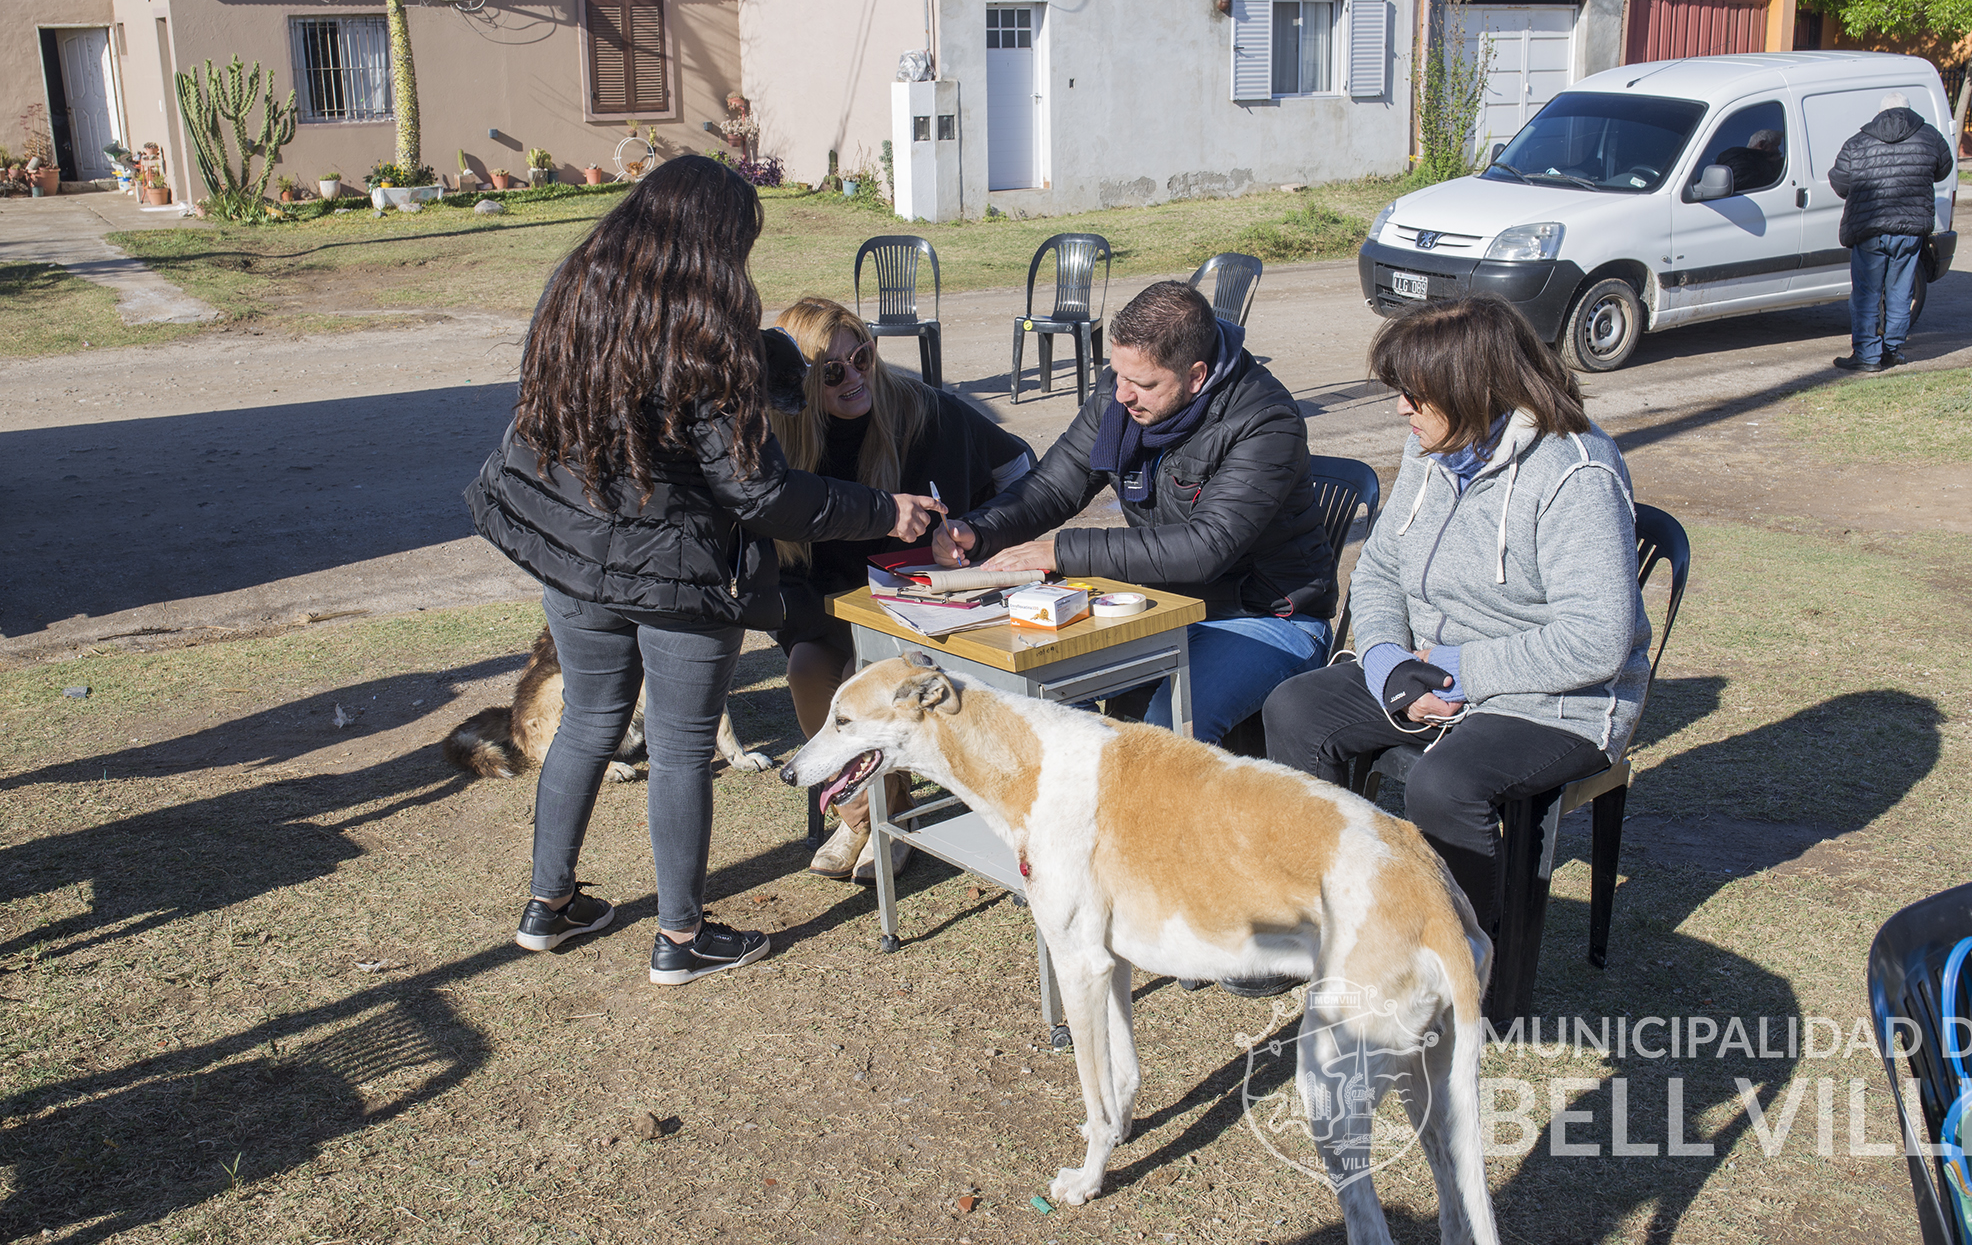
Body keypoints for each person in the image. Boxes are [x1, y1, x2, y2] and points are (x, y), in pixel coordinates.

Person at [464, 156, 944, 986]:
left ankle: (550, 905)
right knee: (683, 746)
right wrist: (883, 511)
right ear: (720, 242)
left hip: (573, 553)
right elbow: (758, 491)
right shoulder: (707, 332)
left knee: (589, 721)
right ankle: (680, 939)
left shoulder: (575, 293)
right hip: (676, 568)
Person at [1261, 295, 1651, 935]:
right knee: (1296, 709)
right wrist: (1387, 662)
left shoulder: (1576, 474)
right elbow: (1379, 570)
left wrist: (1455, 670)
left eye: (1415, 396)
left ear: (1472, 390)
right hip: (1430, 670)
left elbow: (1596, 641)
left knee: (1443, 785)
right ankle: (1319, 921)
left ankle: (1467, 964)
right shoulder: (1431, 449)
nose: (1401, 409)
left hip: (1555, 701)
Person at [932, 280, 1337, 745]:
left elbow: (1204, 548)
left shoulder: (1265, 419)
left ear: (1196, 375)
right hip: (1165, 605)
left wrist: (1057, 552)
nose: (1121, 394)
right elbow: (1054, 484)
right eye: (1116, 373)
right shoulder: (1122, 392)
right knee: (1041, 686)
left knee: (1165, 732)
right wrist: (978, 530)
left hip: (1267, 618)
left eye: (1142, 384)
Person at [768, 297, 1033, 882]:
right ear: (802, 380)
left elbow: (1022, 468)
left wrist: (983, 531)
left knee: (866, 672)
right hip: (834, 607)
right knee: (808, 667)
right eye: (831, 370)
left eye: (862, 356)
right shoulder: (779, 439)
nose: (854, 376)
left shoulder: (926, 410)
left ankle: (882, 819)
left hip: (923, 602)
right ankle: (867, 814)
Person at [1829, 92, 1954, 373]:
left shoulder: (1858, 142)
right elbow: (1943, 170)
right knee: (1900, 290)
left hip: (1869, 227)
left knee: (1866, 293)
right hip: (1910, 228)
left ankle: (1867, 354)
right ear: (1909, 111)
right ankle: (1892, 350)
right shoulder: (1930, 137)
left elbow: (1840, 182)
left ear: (1880, 113)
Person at [1713, 127, 1784, 193]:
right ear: (1762, 144)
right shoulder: (1741, 160)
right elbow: (1748, 185)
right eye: (1775, 145)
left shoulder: (1753, 161)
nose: (1778, 150)